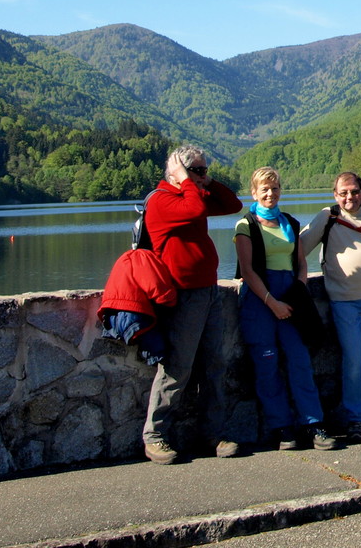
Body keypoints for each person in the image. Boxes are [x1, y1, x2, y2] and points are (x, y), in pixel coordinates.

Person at [141, 145, 244, 465]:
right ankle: (155, 435)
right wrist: (187, 179)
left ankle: (212, 433)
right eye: (198, 170)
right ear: (178, 173)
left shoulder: (192, 195)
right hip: (182, 296)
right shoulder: (162, 200)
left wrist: (205, 181)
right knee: (177, 368)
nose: (204, 175)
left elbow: (233, 204)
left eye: (204, 170)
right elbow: (194, 212)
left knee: (214, 365)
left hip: (208, 292)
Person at [234, 167, 336, 451]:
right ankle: (283, 429)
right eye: (264, 189)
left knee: (300, 361)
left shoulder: (289, 222)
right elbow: (247, 271)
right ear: (254, 193)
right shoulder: (246, 225)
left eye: (275, 188)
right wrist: (272, 303)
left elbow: (302, 263)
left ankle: (314, 424)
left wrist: (299, 290)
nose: (270, 193)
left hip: (290, 299)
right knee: (267, 366)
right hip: (259, 301)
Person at [299, 172, 361, 444]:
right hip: (345, 303)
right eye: (343, 193)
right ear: (335, 194)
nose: (349, 197)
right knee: (354, 362)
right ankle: (357, 420)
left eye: (354, 192)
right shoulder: (328, 218)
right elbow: (299, 247)